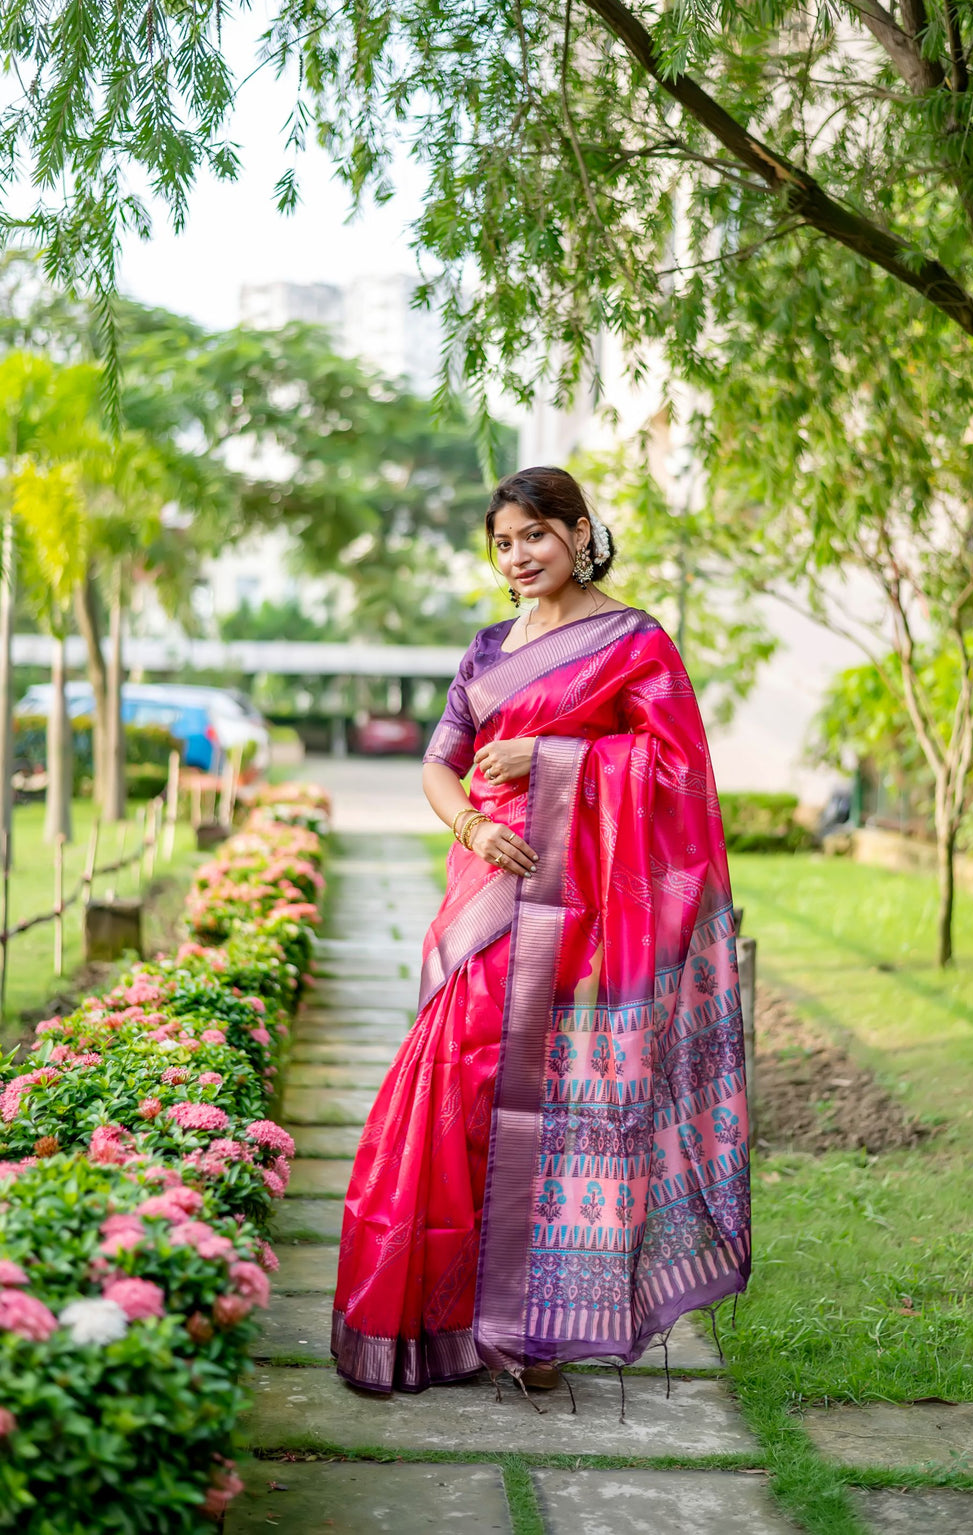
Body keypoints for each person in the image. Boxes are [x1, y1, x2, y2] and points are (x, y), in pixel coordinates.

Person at [332, 466, 751, 1396]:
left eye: (535, 535)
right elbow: (442, 766)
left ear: (578, 531)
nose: (519, 556)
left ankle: (533, 1331)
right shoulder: (486, 650)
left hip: (579, 911)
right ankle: (437, 1320)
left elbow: (679, 771)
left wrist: (557, 758)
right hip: (484, 895)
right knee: (454, 1088)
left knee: (553, 1108)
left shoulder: (633, 641)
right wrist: (475, 823)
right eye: (504, 542)